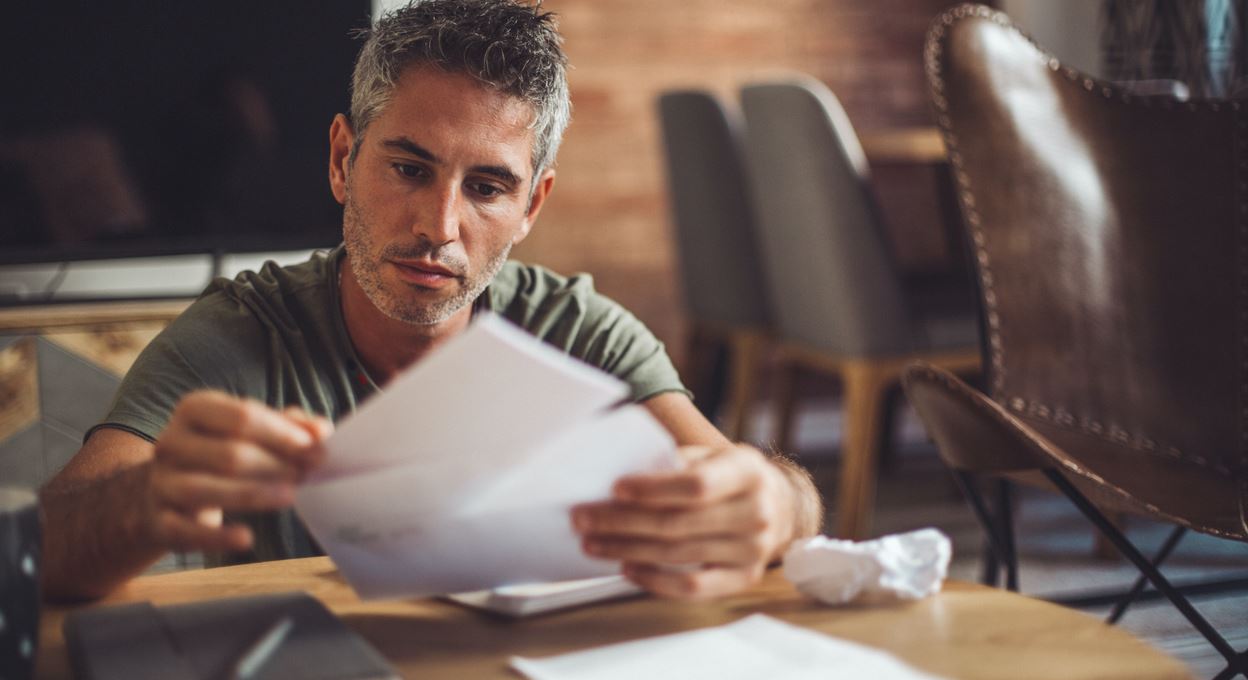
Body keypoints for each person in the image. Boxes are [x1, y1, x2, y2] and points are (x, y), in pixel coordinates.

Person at [40, 0, 823, 601]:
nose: (438, 227)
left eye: (486, 188)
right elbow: (44, 551)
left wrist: (775, 502)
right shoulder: (240, 334)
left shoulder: (576, 331)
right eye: (410, 169)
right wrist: (146, 498)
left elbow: (757, 489)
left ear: (532, 206)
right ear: (342, 160)